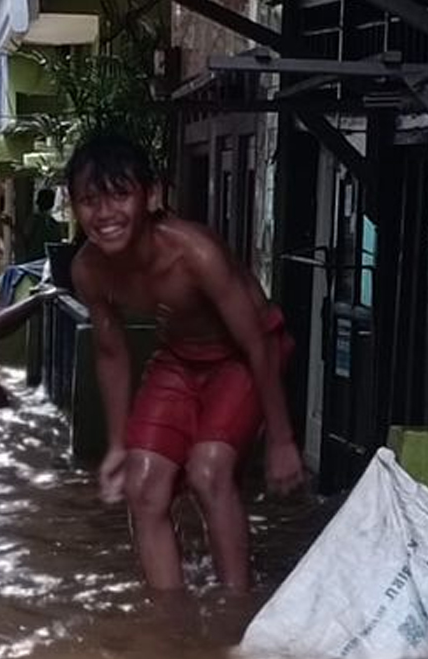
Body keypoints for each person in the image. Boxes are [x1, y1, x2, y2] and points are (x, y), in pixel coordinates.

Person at [66, 131, 304, 594]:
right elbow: (112, 353)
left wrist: (281, 438)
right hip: (179, 358)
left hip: (244, 355)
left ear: (152, 195)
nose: (104, 214)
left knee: (208, 469)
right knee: (142, 484)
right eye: (89, 200)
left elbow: (257, 340)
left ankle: (237, 611)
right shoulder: (88, 270)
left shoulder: (195, 254)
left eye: (119, 195)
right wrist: (117, 444)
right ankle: (171, 630)